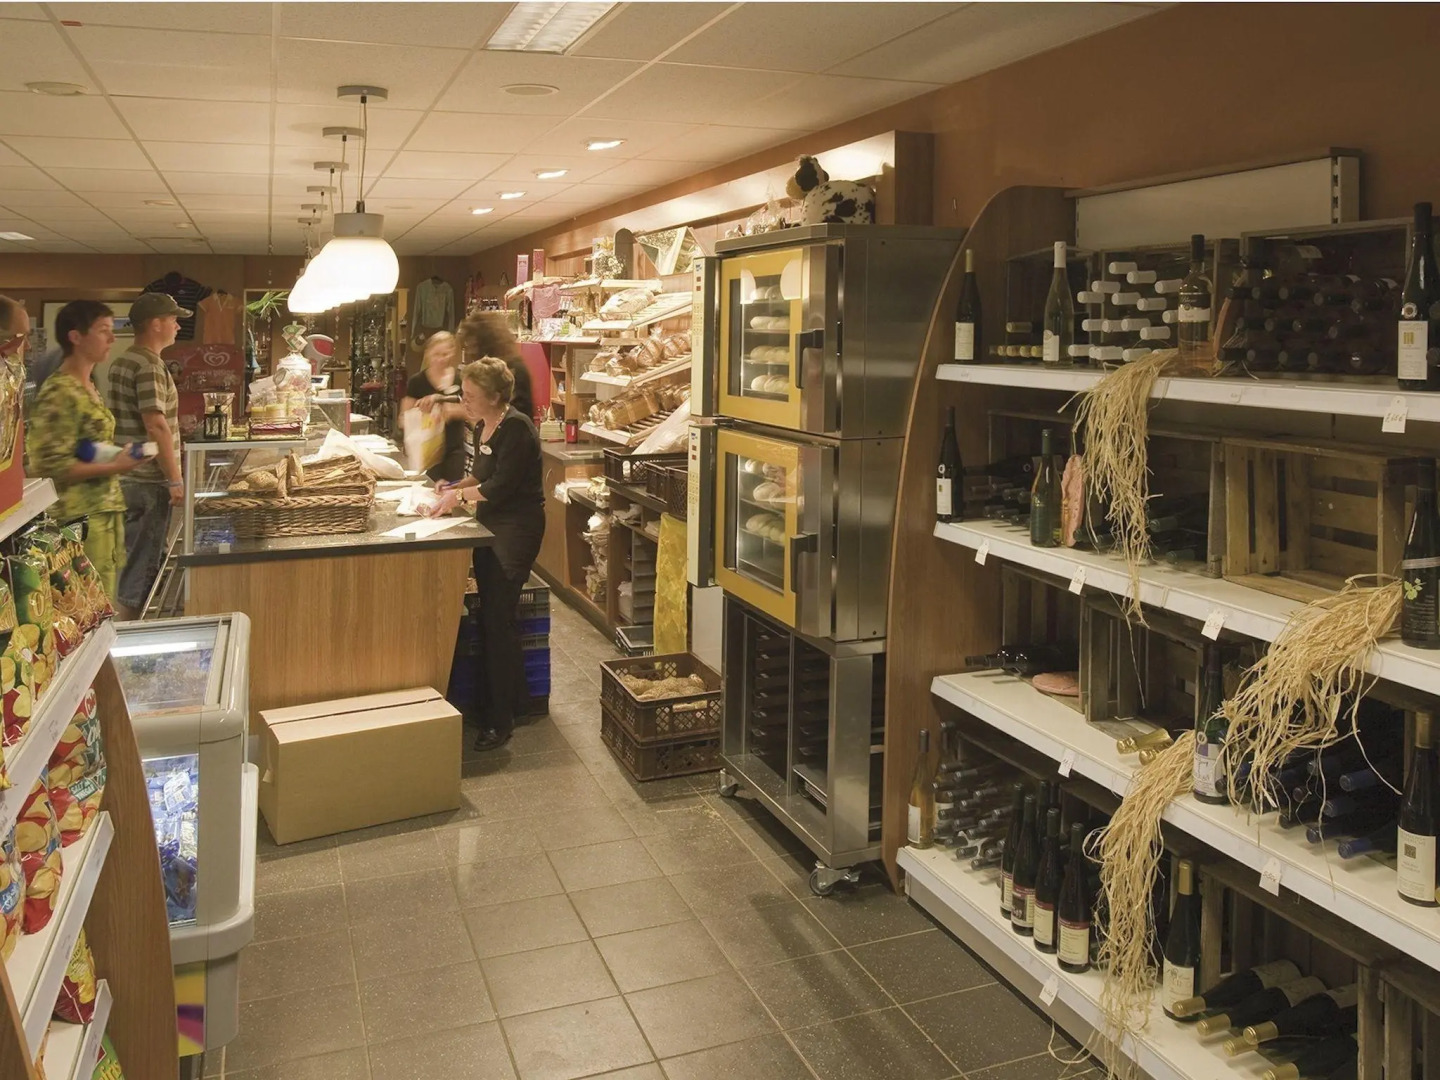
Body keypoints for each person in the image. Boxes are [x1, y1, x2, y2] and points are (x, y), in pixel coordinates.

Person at [425, 357, 545, 751]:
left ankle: (500, 721)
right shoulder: (483, 425)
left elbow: (501, 487)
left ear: (495, 397)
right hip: (492, 525)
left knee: (498, 618)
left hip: (516, 531)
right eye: (464, 393)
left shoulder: (518, 429)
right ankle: (516, 703)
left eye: (472, 395)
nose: (465, 401)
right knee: (496, 617)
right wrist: (453, 488)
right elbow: (483, 476)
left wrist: (457, 496)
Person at [25, 301, 152, 600]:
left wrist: (118, 454)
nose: (111, 339)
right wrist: (116, 465)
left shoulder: (89, 385)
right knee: (86, 603)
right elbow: (48, 464)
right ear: (75, 337)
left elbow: (82, 449)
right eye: (103, 331)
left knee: (105, 600)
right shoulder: (61, 391)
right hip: (77, 520)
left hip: (104, 510)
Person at [106, 292, 188, 620]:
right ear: (155, 324)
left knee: (134, 562)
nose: (178, 326)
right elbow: (156, 425)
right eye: (172, 320)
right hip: (149, 479)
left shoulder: (122, 360)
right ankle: (125, 646)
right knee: (141, 572)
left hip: (128, 477)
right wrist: (174, 478)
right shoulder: (149, 365)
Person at [400, 331, 468, 484]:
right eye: (436, 354)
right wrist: (422, 413)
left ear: (453, 353)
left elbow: (472, 412)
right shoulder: (416, 382)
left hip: (454, 451)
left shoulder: (461, 379)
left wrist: (449, 411)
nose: (441, 359)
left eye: (445, 354)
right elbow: (403, 419)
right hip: (427, 452)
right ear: (428, 353)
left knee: (450, 494)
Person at [455, 310, 533, 421]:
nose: (470, 351)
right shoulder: (491, 369)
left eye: (473, 345)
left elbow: (499, 412)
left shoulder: (509, 371)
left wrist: (458, 411)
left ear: (485, 343)